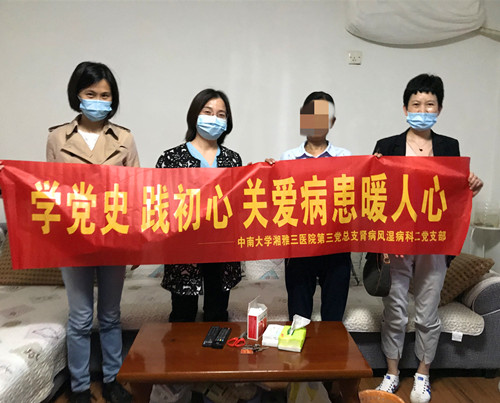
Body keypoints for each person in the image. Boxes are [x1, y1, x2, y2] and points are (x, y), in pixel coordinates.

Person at [373, 74, 483, 403]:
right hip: (396, 241)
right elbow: (373, 193)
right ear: (405, 108)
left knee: (427, 311)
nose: (422, 110)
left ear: (439, 109)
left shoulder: (449, 147)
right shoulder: (386, 145)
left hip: (435, 242)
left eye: (429, 104)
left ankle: (423, 374)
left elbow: (453, 194)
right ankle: (392, 373)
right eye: (416, 104)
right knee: (394, 310)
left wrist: (471, 186)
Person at [46, 62, 139, 403]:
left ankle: (113, 379)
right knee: (81, 317)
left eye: (105, 95)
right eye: (91, 94)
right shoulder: (58, 138)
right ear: (77, 95)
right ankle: (80, 385)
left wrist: (136, 244)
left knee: (111, 315)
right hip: (73, 239)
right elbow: (48, 190)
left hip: (115, 237)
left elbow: (137, 193)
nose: (98, 101)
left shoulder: (124, 138)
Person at [156, 88, 242, 322]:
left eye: (221, 115)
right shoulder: (171, 159)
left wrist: (266, 170)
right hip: (184, 248)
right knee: (182, 315)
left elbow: (240, 203)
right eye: (208, 112)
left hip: (221, 248)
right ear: (195, 115)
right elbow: (159, 205)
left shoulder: (233, 160)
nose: (214, 119)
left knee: (217, 314)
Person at [266, 91, 352, 322]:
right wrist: (267, 172)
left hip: (335, 248)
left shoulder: (345, 158)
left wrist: (376, 166)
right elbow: (277, 202)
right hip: (299, 248)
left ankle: (330, 348)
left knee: (333, 318)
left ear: (332, 121)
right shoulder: (287, 158)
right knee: (298, 316)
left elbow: (354, 199)